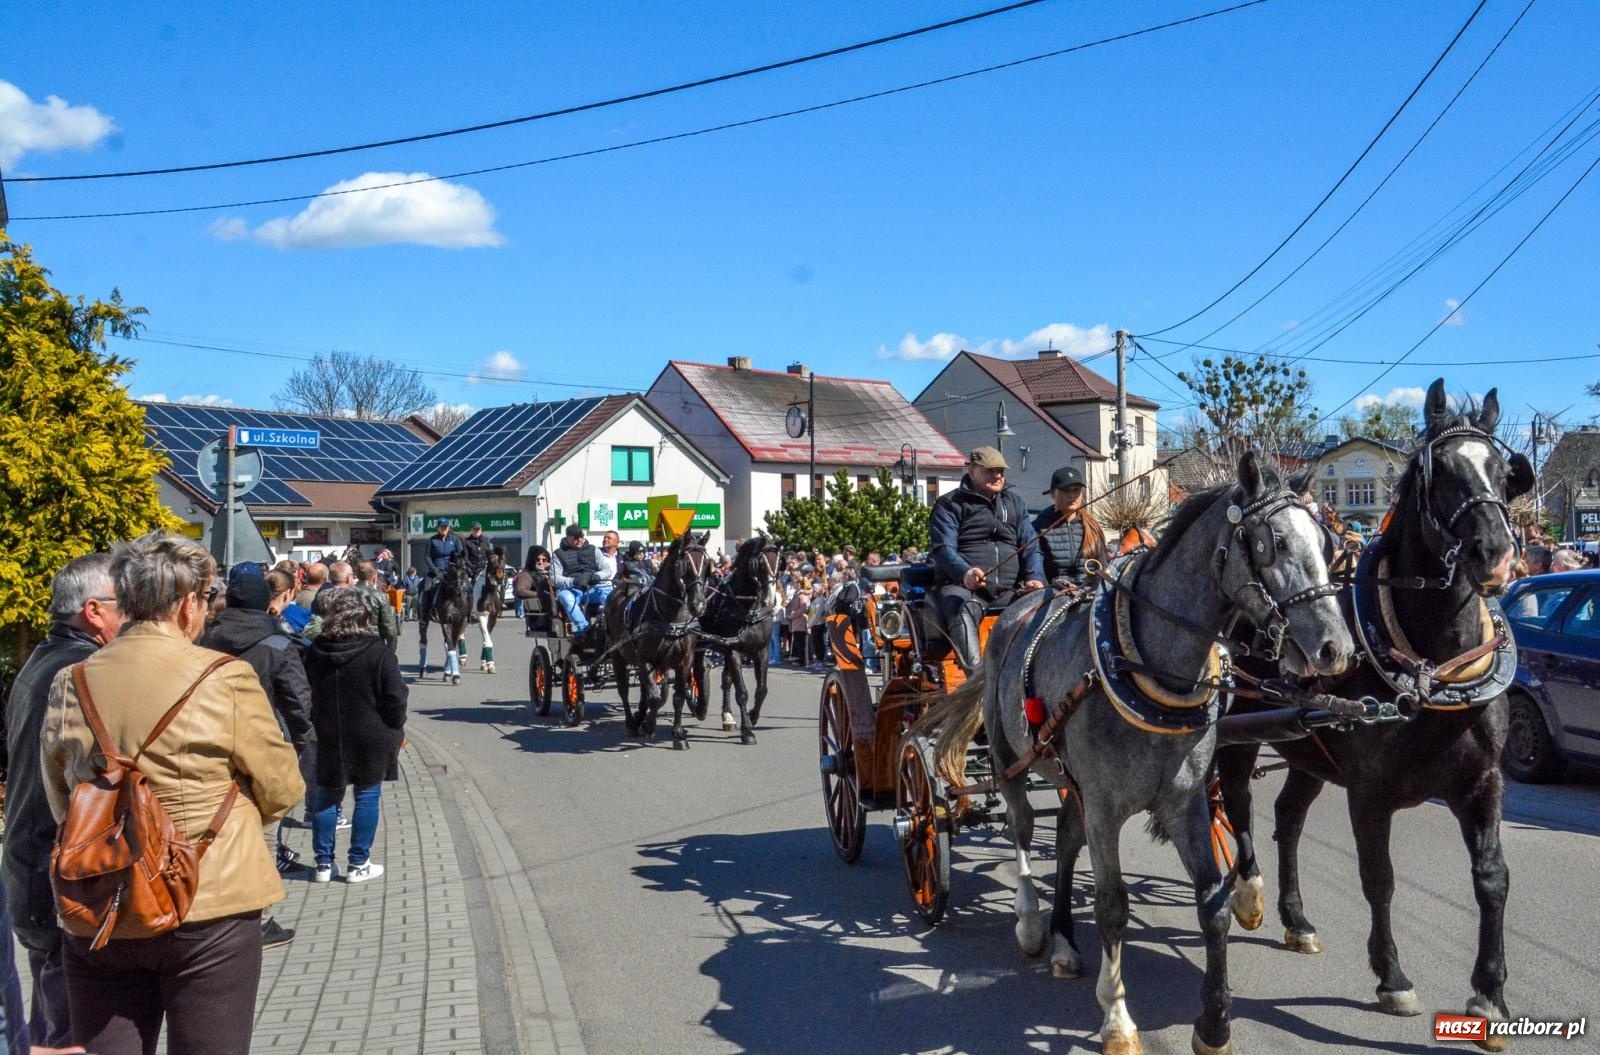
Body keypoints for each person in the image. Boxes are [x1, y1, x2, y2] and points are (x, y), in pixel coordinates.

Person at [39, 533, 304, 1055]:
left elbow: (62, 800)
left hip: (104, 902)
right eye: (206, 600)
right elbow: (282, 787)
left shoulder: (73, 681)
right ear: (188, 604)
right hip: (210, 902)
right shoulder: (224, 677)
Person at [4, 553, 125, 1054]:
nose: (135, 617)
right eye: (127, 604)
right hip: (60, 872)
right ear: (94, 611)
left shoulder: (42, 659)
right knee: (72, 1033)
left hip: (33, 863)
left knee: (55, 1017)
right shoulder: (79, 673)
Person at [198, 572, 314, 950]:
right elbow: (298, 698)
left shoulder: (204, 639)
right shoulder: (278, 642)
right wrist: (303, 740)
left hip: (209, 742)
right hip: (263, 742)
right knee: (265, 828)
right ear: (267, 601)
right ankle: (259, 918)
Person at [301, 589, 407, 886]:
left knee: (327, 794)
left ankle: (323, 864)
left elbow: (304, 690)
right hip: (370, 732)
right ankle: (358, 863)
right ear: (365, 617)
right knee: (367, 795)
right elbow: (395, 697)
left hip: (328, 730)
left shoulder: (315, 651)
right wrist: (395, 726)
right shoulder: (378, 652)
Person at [929, 446, 1045, 670]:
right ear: (972, 471)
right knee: (962, 607)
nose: (998, 475)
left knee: (1046, 604)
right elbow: (943, 549)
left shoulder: (1015, 503)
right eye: (990, 470)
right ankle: (975, 680)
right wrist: (965, 573)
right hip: (965, 589)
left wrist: (1035, 577)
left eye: (1001, 470)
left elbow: (1031, 547)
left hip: (1009, 590)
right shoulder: (950, 504)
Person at [1033, 466, 1108, 592]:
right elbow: (1036, 571)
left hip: (1089, 595)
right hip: (1052, 597)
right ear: (1052, 493)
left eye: (1076, 490)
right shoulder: (1039, 527)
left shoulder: (1093, 527)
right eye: (1065, 491)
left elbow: (1102, 568)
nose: (1072, 495)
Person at [552, 524, 605, 633]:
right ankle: (585, 629)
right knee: (564, 596)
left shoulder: (594, 550)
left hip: (593, 588)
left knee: (612, 594)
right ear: (568, 538)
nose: (579, 540)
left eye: (581, 536)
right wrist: (573, 581)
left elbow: (606, 569)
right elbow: (554, 578)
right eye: (576, 538)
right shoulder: (558, 554)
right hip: (573, 590)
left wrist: (598, 576)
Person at [355, 560, 400, 649]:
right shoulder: (379, 596)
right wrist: (390, 652)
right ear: (375, 577)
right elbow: (390, 630)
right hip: (373, 643)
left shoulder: (345, 593)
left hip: (349, 643)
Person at [515, 546, 555, 634]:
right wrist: (541, 594)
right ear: (532, 560)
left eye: (544, 560)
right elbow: (520, 591)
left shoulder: (552, 574)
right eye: (538, 560)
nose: (541, 562)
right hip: (539, 618)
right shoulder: (527, 574)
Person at [461, 522, 491, 609]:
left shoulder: (486, 540)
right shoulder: (467, 542)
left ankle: (499, 601)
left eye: (478, 529)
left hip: (485, 568)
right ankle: (471, 608)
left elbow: (489, 554)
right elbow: (465, 558)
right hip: (472, 570)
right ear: (471, 530)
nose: (477, 531)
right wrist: (472, 567)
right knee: (471, 588)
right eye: (475, 529)